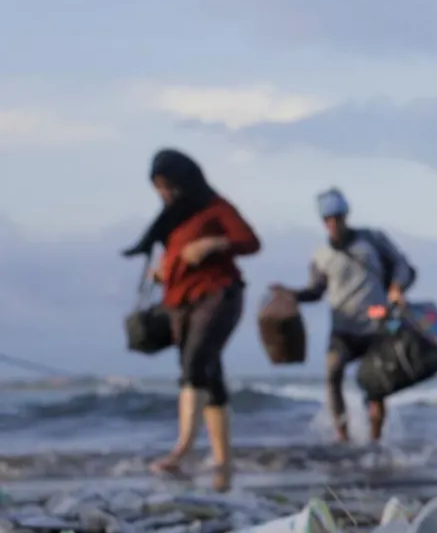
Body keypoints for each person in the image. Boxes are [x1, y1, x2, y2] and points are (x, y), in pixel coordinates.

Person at [124, 149, 259, 492]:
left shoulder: (216, 208)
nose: (163, 194)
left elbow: (250, 241)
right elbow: (175, 257)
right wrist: (163, 272)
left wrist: (214, 243)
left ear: (183, 181)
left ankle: (181, 450)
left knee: (195, 362)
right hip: (181, 303)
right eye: (158, 188)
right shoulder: (173, 218)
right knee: (210, 376)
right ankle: (222, 461)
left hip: (218, 295)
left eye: (167, 186)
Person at [275, 188, 416, 444]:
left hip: (377, 325)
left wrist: (396, 287)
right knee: (333, 373)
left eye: (338, 217)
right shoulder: (321, 256)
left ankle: (375, 439)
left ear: (345, 216)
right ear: (323, 222)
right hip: (343, 329)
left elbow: (401, 265)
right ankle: (343, 437)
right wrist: (292, 295)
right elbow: (316, 291)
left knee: (377, 386)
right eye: (328, 219)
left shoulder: (372, 239)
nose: (334, 224)